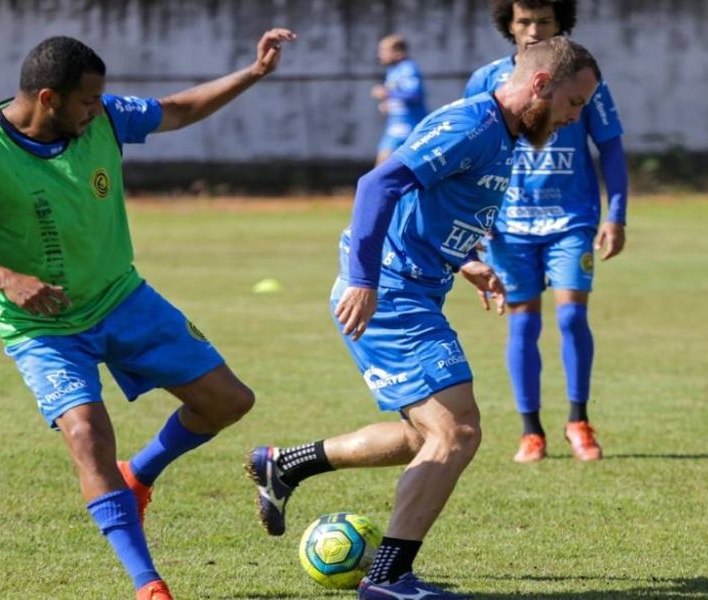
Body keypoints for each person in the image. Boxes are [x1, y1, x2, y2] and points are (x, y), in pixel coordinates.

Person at [0, 29, 297, 600]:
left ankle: (139, 475)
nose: (98, 109)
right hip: (42, 326)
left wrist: (253, 73)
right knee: (88, 435)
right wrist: (3, 277)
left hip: (121, 297)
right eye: (87, 100)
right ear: (48, 99)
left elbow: (178, 111)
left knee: (229, 402)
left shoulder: (106, 117)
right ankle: (148, 584)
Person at [245, 36, 602, 599]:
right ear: (541, 84)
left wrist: (467, 262)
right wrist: (363, 279)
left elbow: (427, 209)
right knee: (456, 431)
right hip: (390, 292)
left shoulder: (507, 135)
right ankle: (387, 578)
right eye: (573, 103)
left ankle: (286, 464)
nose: (573, 118)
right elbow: (379, 184)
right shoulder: (474, 124)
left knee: (424, 436)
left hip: (414, 289)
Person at [464, 0, 628, 463]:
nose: (534, 30)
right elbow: (471, 155)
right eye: (525, 21)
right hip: (508, 227)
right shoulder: (486, 80)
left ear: (561, 25)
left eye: (544, 21)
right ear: (509, 26)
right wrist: (473, 225)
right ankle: (530, 431)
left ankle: (578, 421)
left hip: (571, 220)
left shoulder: (583, 80)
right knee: (523, 323)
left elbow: (611, 146)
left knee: (573, 317)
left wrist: (616, 213)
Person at [372, 34, 428, 165]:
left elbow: (415, 94)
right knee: (382, 169)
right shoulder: (393, 71)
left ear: (398, 53)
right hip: (395, 127)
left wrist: (387, 94)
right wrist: (388, 105)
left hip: (410, 128)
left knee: (383, 170)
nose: (380, 55)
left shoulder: (408, 68)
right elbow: (400, 95)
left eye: (384, 51)